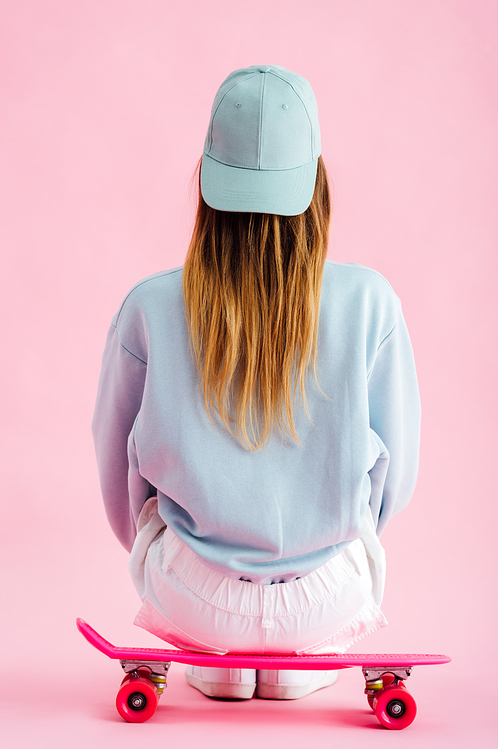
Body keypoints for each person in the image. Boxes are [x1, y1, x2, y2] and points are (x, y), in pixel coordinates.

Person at [92, 65, 421, 701]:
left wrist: (194, 553)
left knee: (163, 514)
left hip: (191, 595)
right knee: (350, 530)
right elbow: (393, 480)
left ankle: (223, 664)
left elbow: (120, 481)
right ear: (318, 184)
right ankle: (294, 665)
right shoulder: (372, 303)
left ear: (208, 184)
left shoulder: (148, 309)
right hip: (328, 596)